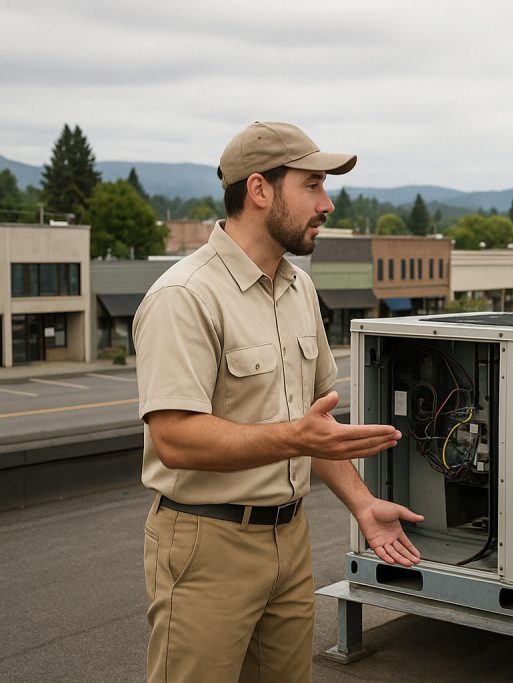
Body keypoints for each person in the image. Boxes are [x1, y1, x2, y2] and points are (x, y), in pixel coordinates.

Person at [133, 121, 424, 683]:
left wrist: (362, 504)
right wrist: (296, 438)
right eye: (312, 186)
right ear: (260, 190)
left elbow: (314, 423)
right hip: (206, 544)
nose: (328, 203)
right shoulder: (184, 296)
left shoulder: (299, 289)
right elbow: (173, 438)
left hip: (289, 540)